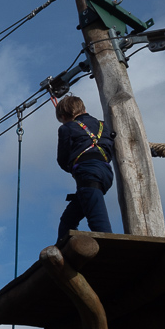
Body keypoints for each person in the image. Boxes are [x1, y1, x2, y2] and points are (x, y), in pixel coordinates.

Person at [55, 94, 115, 245]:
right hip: (105, 173)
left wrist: (72, 167)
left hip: (88, 173)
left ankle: (109, 250)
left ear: (63, 116)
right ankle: (62, 248)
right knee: (68, 219)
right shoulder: (103, 125)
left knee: (97, 219)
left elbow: (62, 159)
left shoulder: (67, 128)